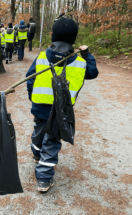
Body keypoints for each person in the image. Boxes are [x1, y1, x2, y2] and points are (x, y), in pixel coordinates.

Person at [26, 17, 99, 192]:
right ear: (73, 39)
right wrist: (87, 55)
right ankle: (43, 178)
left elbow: (30, 80)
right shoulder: (81, 63)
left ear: (53, 36)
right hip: (61, 112)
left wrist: (33, 98)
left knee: (39, 131)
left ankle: (36, 153)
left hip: (40, 107)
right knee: (51, 141)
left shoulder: (42, 57)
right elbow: (93, 72)